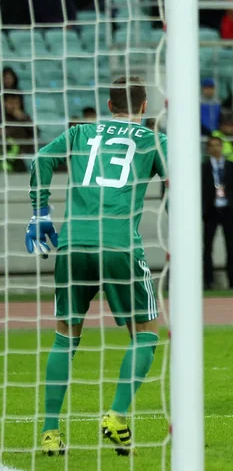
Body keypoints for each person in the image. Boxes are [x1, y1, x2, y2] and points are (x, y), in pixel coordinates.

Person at [26, 76, 165, 456]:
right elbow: (180, 177)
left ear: (107, 104)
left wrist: (40, 211)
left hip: (72, 244)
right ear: (143, 106)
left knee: (65, 336)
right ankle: (117, 416)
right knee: (147, 332)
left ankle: (50, 432)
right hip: (119, 244)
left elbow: (40, 159)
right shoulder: (153, 140)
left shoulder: (80, 132)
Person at [202, 135, 233, 291]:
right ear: (208, 149)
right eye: (211, 145)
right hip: (210, 211)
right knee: (207, 248)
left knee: (230, 247)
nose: (215, 148)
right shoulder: (204, 167)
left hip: (228, 210)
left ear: (222, 147)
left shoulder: (230, 166)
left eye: (217, 145)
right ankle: (208, 281)